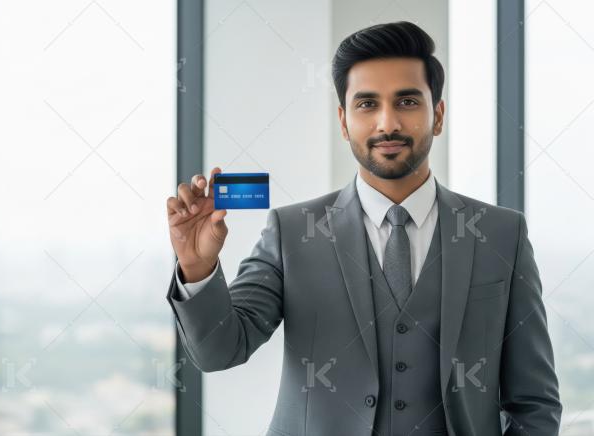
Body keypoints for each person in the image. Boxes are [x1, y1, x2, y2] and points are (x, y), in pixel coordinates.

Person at [164, 21, 561, 436]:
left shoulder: (501, 234)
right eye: (367, 104)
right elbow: (220, 350)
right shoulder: (292, 231)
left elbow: (533, 402)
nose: (386, 123)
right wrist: (197, 267)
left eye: (407, 101)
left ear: (437, 114)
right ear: (343, 121)